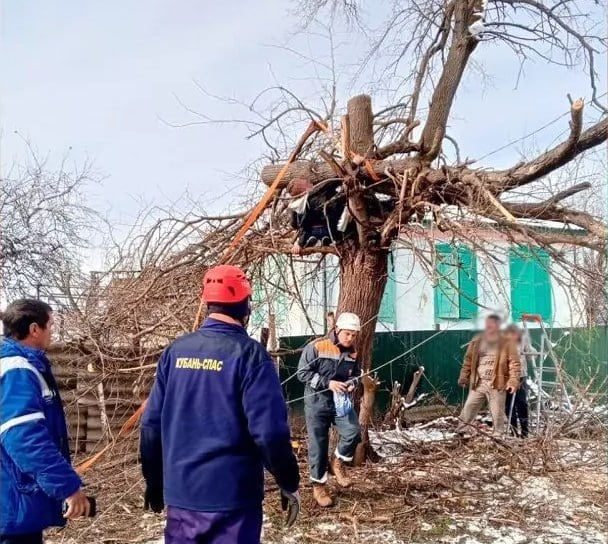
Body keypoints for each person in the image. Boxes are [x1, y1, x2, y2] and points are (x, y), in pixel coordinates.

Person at [140, 265, 300, 544]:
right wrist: (288, 480)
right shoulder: (250, 355)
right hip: (232, 501)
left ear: (206, 303)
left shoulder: (175, 352)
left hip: (182, 496)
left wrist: (154, 480)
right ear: (245, 306)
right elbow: (270, 433)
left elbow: (151, 425)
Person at [0, 299, 90, 544]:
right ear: (34, 329)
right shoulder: (17, 370)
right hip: (12, 505)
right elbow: (24, 438)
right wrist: (68, 488)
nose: (53, 332)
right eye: (50, 325)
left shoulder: (18, 365)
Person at [296, 312, 362, 507]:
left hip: (339, 403)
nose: (350, 338)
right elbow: (302, 373)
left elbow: (357, 375)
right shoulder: (317, 346)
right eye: (347, 334)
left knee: (353, 431)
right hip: (317, 403)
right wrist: (328, 383)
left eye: (354, 335)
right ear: (337, 330)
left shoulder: (353, 352)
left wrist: (352, 384)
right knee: (318, 445)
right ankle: (319, 486)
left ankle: (337, 462)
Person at [457, 314, 521, 435]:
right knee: (469, 407)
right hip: (479, 382)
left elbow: (514, 363)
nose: (488, 327)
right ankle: (461, 432)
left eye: (491, 325)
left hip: (497, 383)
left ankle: (498, 436)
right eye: (487, 324)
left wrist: (513, 381)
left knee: (497, 414)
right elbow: (468, 360)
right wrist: (464, 377)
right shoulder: (477, 340)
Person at [287, 178, 346, 254]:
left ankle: (320, 239)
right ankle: (326, 239)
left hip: (315, 230)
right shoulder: (320, 189)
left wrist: (300, 243)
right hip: (332, 229)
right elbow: (335, 180)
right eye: (306, 181)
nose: (309, 182)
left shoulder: (297, 205)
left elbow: (297, 224)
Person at [504, 325, 530, 438]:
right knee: (508, 405)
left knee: (521, 404)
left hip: (520, 375)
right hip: (507, 377)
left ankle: (524, 432)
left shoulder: (522, 339)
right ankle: (513, 431)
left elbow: (528, 353)